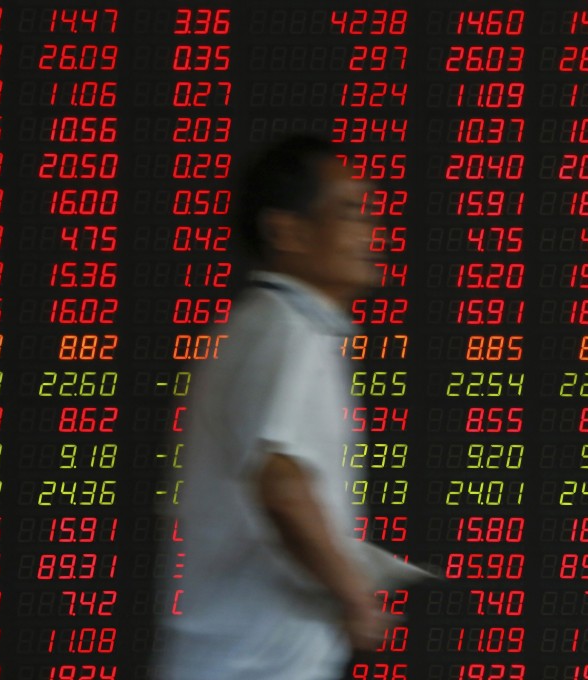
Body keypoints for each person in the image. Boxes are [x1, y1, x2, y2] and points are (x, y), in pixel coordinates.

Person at [156, 135, 387, 680]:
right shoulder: (288, 332)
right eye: (349, 211)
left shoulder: (253, 327)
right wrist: (354, 595)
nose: (369, 231)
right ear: (287, 231)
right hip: (258, 663)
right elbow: (282, 486)